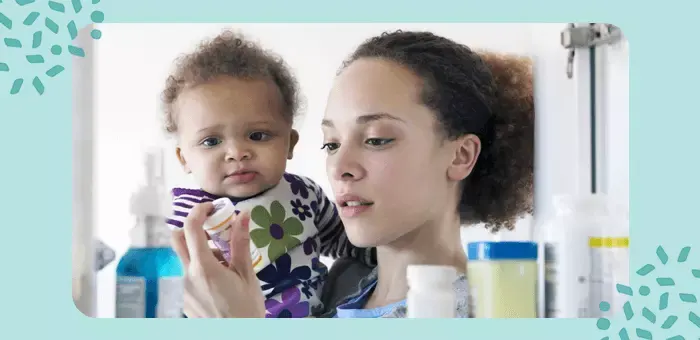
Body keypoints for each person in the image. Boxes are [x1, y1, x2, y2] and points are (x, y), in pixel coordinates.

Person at [171, 30, 534, 318]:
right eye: (330, 144)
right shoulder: (340, 283)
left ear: (461, 155)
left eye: (376, 139)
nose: (339, 168)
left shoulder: (487, 315)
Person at [160, 30, 376, 318]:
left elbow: (346, 241)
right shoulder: (185, 218)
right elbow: (170, 297)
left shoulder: (305, 195)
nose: (237, 152)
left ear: (289, 143)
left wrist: (401, 256)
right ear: (183, 158)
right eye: (211, 141)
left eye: (258, 135)